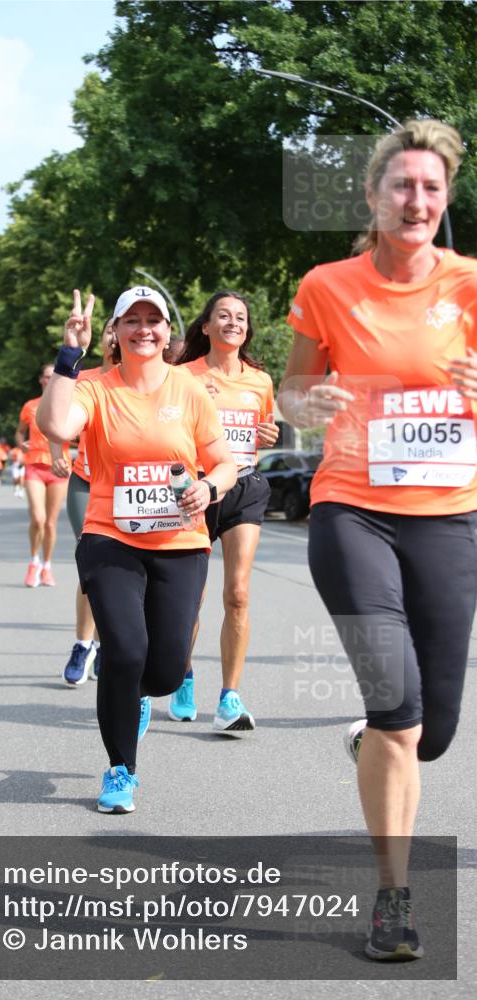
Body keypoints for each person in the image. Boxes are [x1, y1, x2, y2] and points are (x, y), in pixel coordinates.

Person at [277, 119, 477, 961]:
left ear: (445, 197)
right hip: (352, 510)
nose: (415, 201)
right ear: (371, 195)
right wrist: (305, 403)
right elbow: (290, 391)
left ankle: (378, 742)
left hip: (450, 517)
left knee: (433, 730)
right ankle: (392, 899)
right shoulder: (327, 285)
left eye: (430, 188)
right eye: (401, 185)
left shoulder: (469, 283)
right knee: (397, 710)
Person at [37, 286, 236, 814]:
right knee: (125, 653)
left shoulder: (189, 389)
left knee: (166, 670)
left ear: (169, 332)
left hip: (180, 541)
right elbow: (54, 425)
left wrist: (209, 488)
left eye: (154, 320)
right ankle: (120, 768)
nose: (144, 329)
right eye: (132, 320)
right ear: (116, 332)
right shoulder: (94, 387)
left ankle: (138, 693)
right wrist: (69, 354)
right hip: (111, 538)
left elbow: (225, 463)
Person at [170, 292, 279, 733]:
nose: (233, 322)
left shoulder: (261, 381)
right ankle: (183, 676)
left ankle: (229, 698)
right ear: (206, 326)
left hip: (244, 487)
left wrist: (267, 435)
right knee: (189, 599)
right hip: (197, 490)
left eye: (240, 318)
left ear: (247, 330)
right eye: (224, 316)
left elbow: (262, 432)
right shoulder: (182, 376)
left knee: (238, 594)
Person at [54, 319, 116, 686]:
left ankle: (108, 644)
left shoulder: (146, 380)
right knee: (92, 563)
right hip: (86, 481)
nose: (114, 336)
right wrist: (56, 452)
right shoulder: (86, 379)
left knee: (123, 569)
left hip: (125, 489)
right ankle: (82, 644)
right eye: (109, 329)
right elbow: (56, 416)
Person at [16, 365, 71, 587]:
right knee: (37, 518)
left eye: (54, 376)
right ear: (41, 380)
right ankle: (34, 562)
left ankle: (47, 566)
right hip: (34, 466)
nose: (50, 380)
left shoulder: (69, 406)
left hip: (59, 468)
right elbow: (19, 432)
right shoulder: (30, 406)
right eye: (47, 377)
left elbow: (78, 433)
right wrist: (21, 444)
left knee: (50, 523)